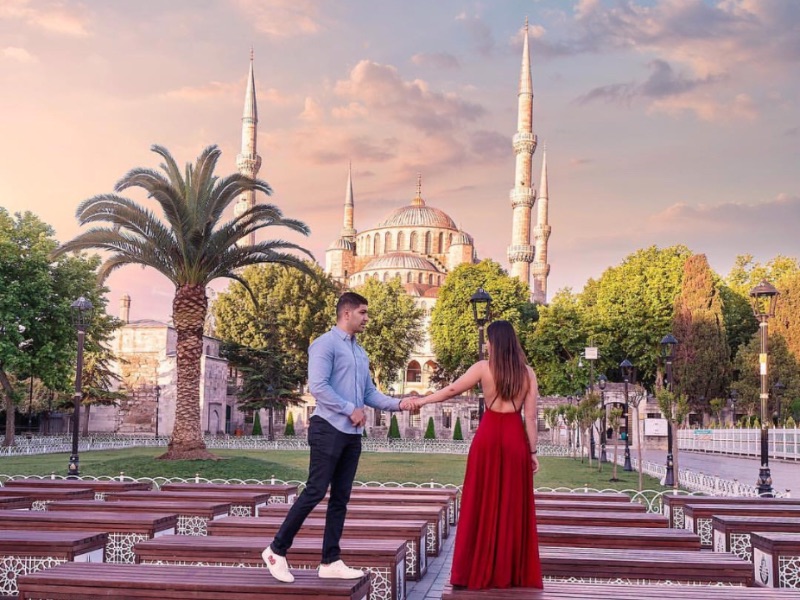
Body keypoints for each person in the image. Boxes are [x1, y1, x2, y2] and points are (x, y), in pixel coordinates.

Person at [262, 291, 413, 582]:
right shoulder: (324, 344)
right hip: (327, 428)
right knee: (316, 490)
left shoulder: (360, 352)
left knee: (340, 498)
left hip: (351, 435)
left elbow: (369, 393)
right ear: (347, 314)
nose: (367, 318)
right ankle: (276, 550)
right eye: (363, 313)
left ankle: (330, 560)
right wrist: (349, 409)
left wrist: (399, 404)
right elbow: (318, 386)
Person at [408, 319, 543, 590]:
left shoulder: (484, 368)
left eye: (488, 340)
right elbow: (530, 417)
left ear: (494, 342)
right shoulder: (528, 374)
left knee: (480, 502)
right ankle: (509, 573)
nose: (486, 344)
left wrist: (422, 400)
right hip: (515, 440)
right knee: (512, 506)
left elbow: (451, 390)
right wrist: (532, 451)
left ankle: (475, 570)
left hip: (489, 437)